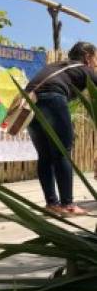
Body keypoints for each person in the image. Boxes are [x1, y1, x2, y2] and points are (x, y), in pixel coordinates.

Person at [26, 41, 97, 216]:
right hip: (53, 100)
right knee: (62, 152)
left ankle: (52, 204)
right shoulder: (83, 68)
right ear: (87, 56)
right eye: (96, 58)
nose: (96, 63)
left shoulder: (57, 66)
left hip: (29, 104)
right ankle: (68, 205)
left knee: (45, 156)